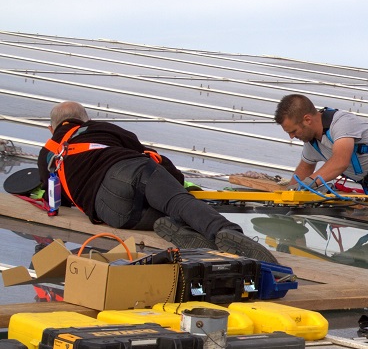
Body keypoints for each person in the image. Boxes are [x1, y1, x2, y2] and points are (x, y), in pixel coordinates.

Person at [38, 101, 276, 263]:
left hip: (110, 211)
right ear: (85, 120)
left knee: (163, 217)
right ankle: (228, 232)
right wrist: (174, 182)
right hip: (126, 172)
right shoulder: (101, 128)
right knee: (178, 203)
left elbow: (57, 199)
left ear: (52, 128)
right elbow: (148, 155)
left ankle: (191, 237)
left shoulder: (47, 154)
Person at [274, 94, 368, 194]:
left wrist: (308, 183)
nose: (291, 137)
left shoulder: (341, 123)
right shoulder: (312, 144)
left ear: (307, 120)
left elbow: (340, 162)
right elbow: (303, 171)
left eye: (293, 131)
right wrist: (289, 193)